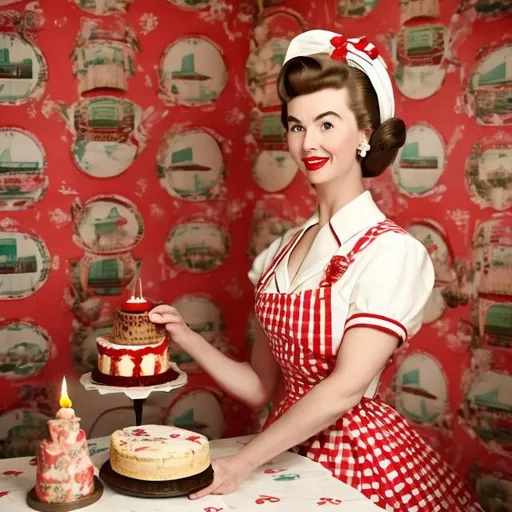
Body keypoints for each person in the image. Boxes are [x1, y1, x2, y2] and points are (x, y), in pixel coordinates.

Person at [150, 30, 483, 512]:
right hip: (282, 448)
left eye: (327, 124)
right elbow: (261, 387)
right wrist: (186, 337)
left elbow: (344, 389)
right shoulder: (281, 250)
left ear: (365, 134)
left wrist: (241, 463)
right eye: (296, 125)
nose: (308, 142)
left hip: (358, 459)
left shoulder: (391, 253)